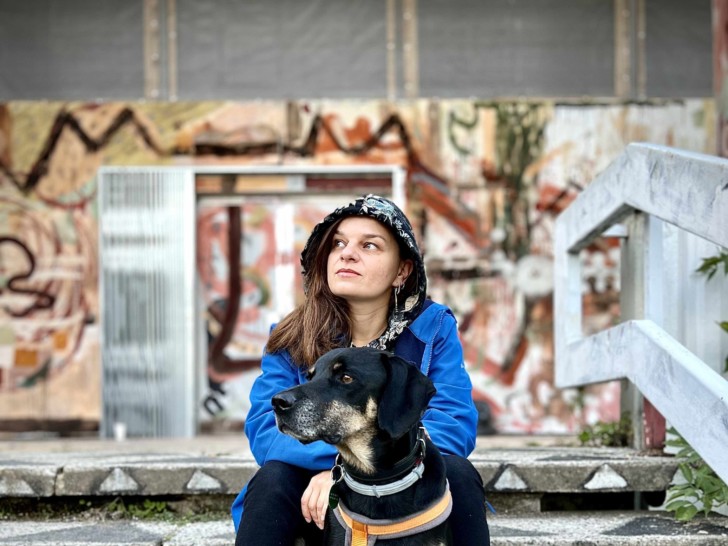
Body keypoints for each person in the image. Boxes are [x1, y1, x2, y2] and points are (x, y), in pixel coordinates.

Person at [232, 194, 490, 545]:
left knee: (457, 472)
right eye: (338, 243)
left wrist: (352, 473)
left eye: (370, 245)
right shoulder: (291, 334)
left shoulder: (432, 329)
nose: (347, 253)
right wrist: (340, 468)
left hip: (407, 494)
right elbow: (265, 429)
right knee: (274, 478)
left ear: (402, 270)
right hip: (316, 504)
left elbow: (454, 422)